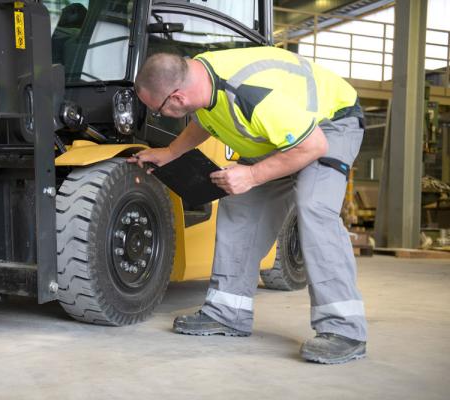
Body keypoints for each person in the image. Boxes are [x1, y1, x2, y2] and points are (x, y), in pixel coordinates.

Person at [128, 47, 367, 365]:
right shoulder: (199, 77)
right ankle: (228, 313)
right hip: (278, 135)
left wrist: (253, 174)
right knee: (239, 208)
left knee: (314, 208)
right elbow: (206, 119)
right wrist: (170, 152)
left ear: (177, 99)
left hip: (330, 126)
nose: (158, 115)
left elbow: (312, 146)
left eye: (157, 110)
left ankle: (345, 330)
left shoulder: (250, 93)